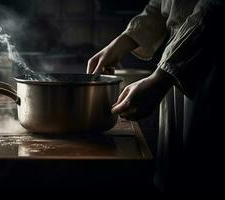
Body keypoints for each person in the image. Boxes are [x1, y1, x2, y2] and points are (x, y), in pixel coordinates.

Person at [87, 0, 224, 192]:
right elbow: (162, 5)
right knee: (176, 175)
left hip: (212, 67)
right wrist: (124, 40)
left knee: (205, 175)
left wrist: (162, 76)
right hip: (177, 58)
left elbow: (215, 8)